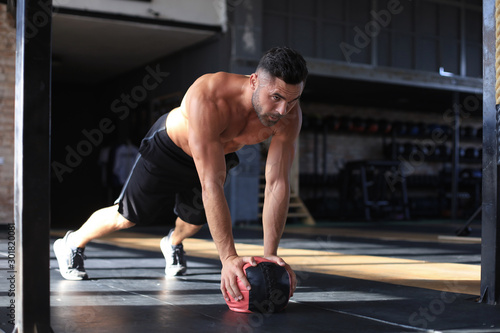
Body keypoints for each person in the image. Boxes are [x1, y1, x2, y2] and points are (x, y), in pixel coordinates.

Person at [54, 46, 308, 303]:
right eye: (276, 97)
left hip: (215, 155)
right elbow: (211, 183)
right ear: (254, 81)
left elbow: (277, 183)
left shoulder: (288, 116)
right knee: (127, 216)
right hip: (169, 149)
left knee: (194, 221)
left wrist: (269, 257)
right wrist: (229, 259)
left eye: (293, 100)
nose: (283, 110)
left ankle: (172, 242)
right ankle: (72, 243)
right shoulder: (209, 95)